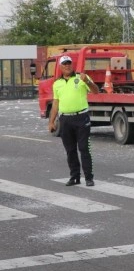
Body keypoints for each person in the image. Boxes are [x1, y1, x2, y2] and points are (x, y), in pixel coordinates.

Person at [48, 55, 100, 187]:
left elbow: (96, 91)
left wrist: (87, 81)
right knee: (70, 150)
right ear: (60, 67)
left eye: (69, 63)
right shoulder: (57, 84)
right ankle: (75, 177)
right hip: (65, 119)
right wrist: (51, 121)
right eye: (64, 64)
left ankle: (89, 178)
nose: (67, 66)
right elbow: (55, 103)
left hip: (81, 118)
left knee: (84, 148)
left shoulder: (81, 78)